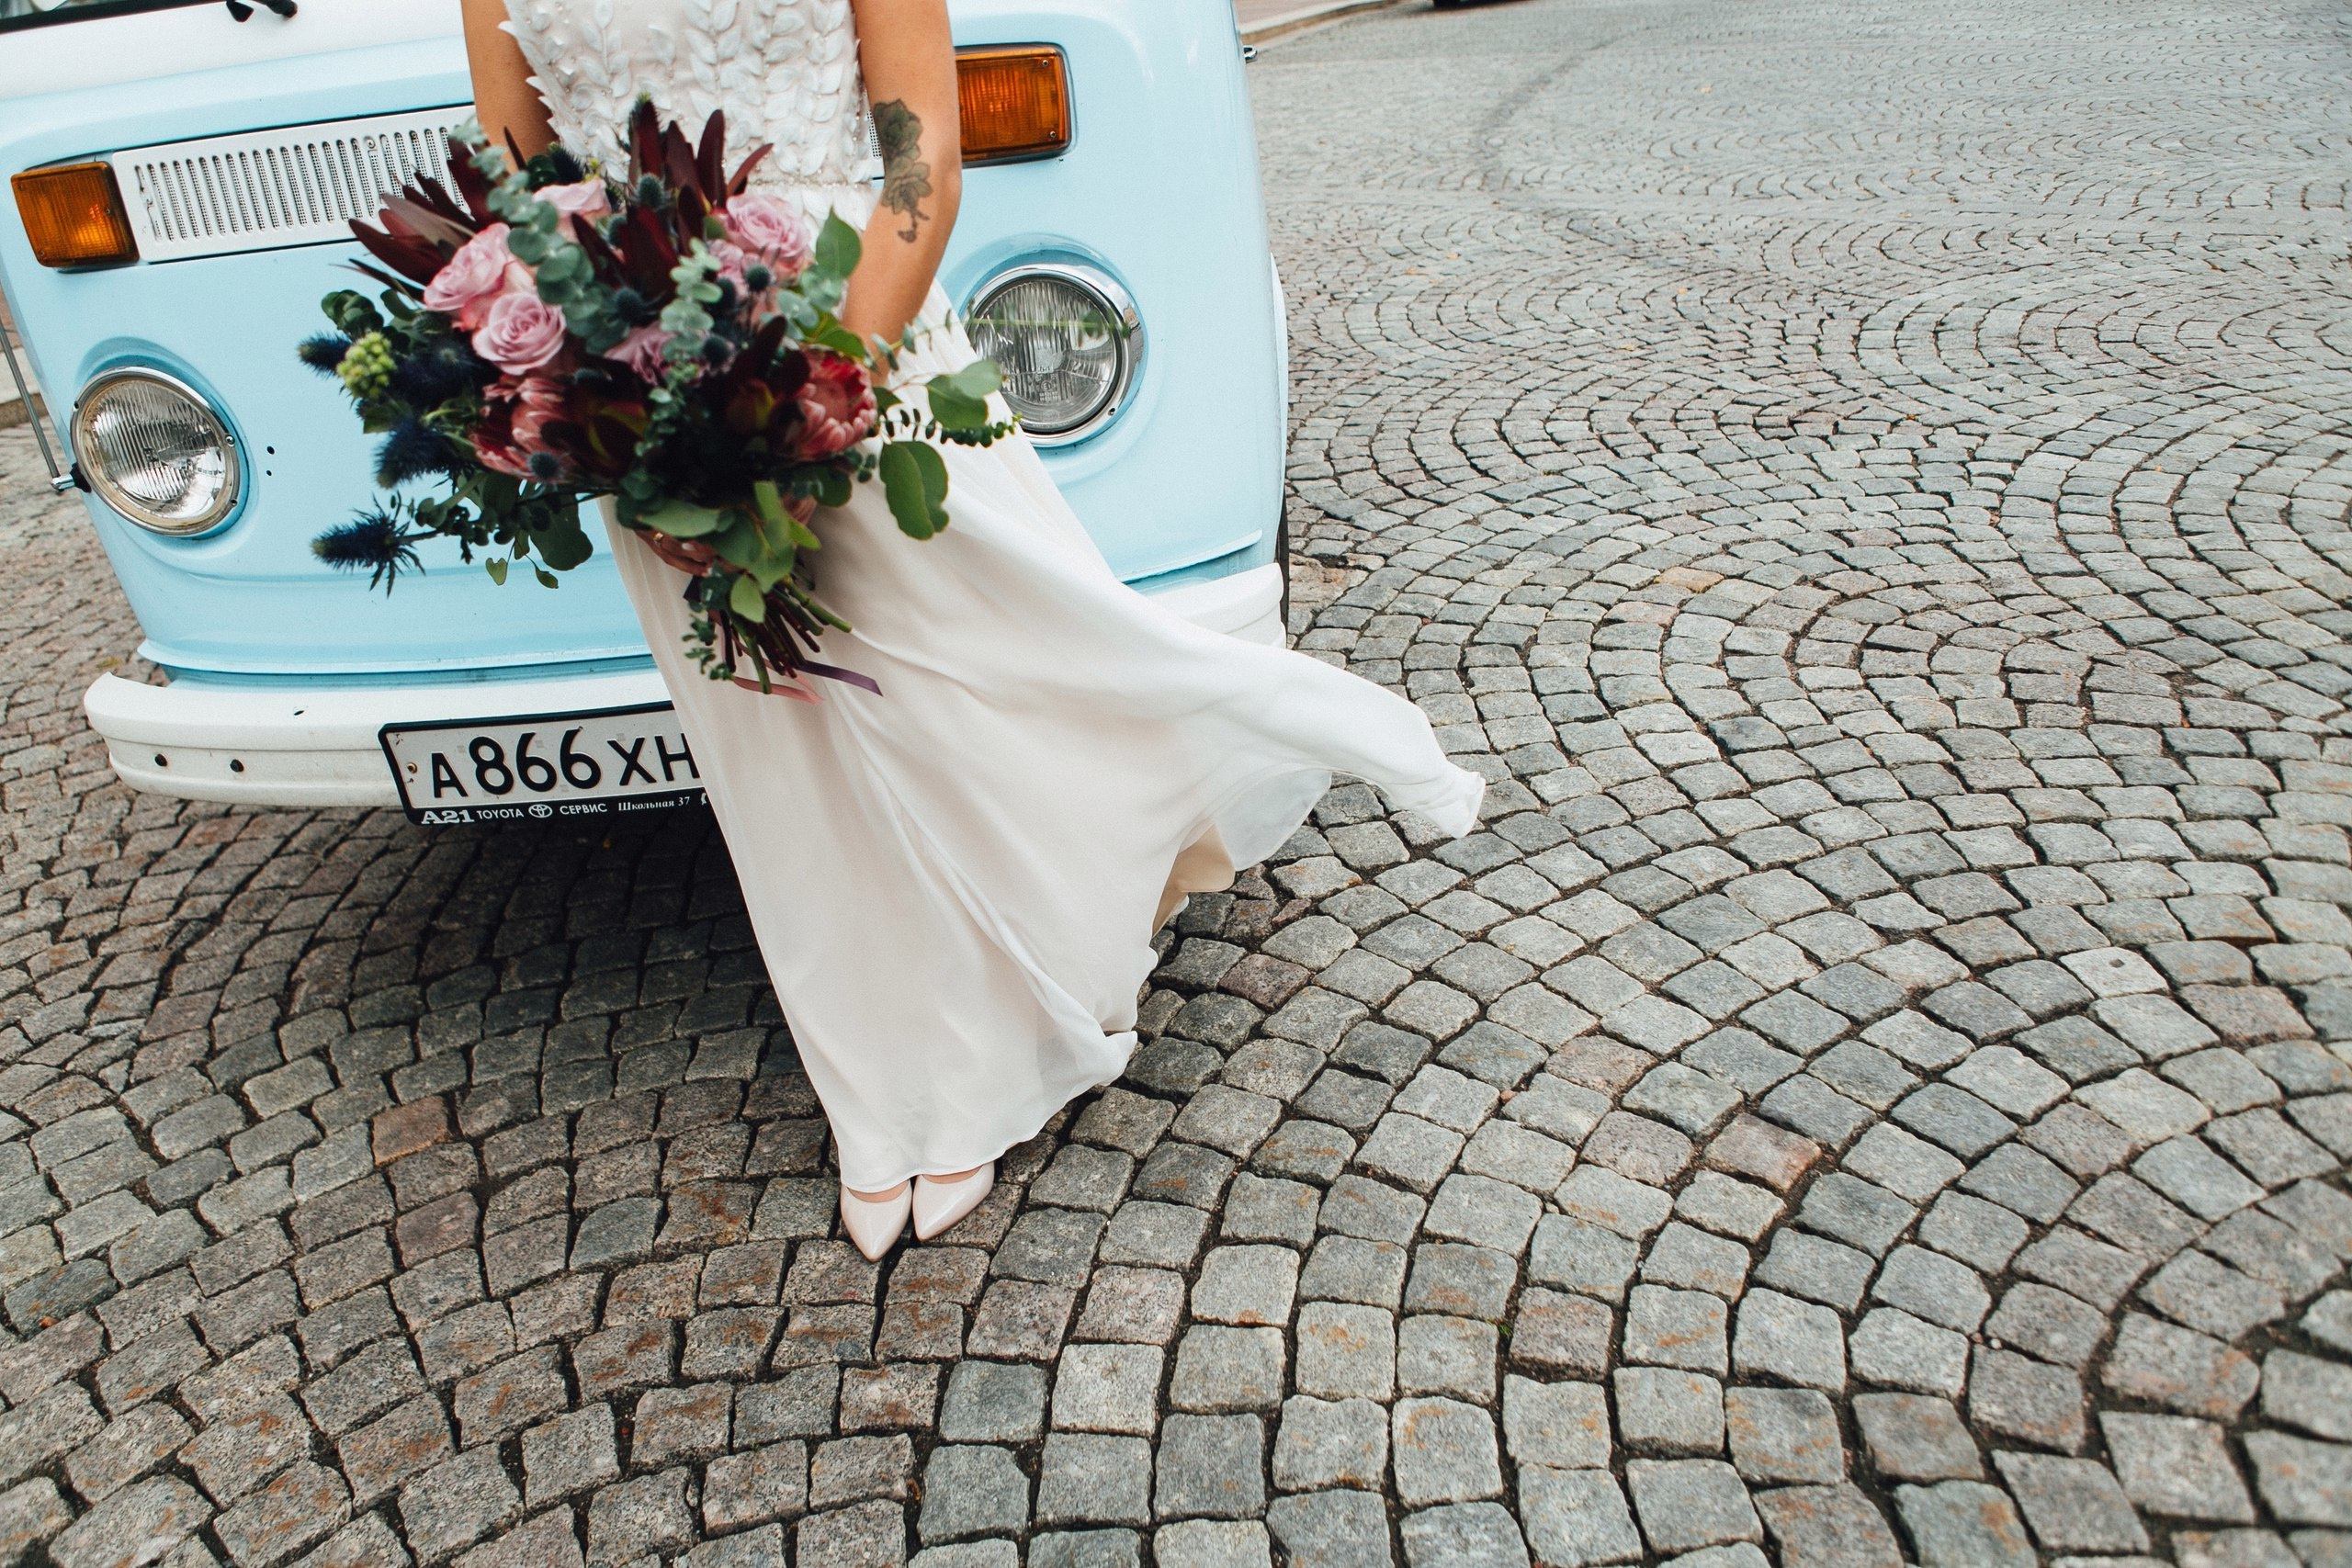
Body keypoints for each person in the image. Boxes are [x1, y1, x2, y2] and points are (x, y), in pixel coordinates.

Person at [461, 0, 1484, 1260]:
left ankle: (1028, 987)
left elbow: (918, 160)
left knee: (973, 672)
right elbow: (523, 187)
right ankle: (888, 1091)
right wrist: (596, 407)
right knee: (778, 751)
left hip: (852, 325)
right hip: (645, 374)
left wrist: (798, 406)